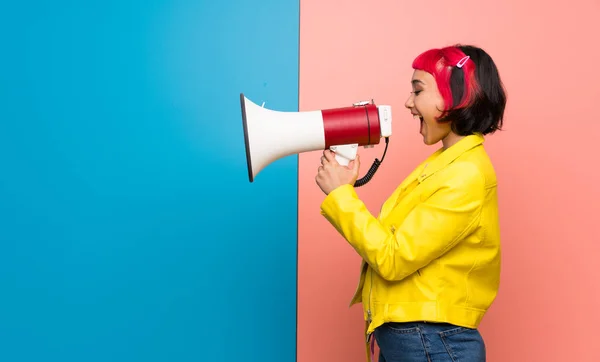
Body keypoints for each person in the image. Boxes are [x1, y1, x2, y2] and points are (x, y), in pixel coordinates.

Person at [315, 44, 506, 362]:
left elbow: (393, 258)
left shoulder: (466, 174)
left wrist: (341, 197)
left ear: (457, 96)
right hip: (420, 339)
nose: (407, 102)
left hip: (429, 339)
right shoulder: (446, 165)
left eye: (418, 90)